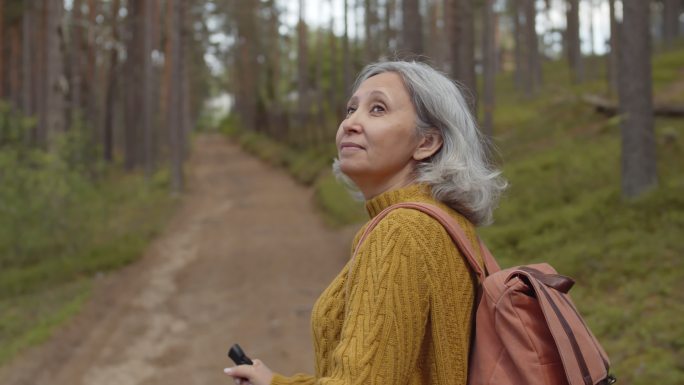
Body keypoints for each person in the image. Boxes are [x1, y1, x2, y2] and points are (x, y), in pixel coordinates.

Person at [224, 60, 507, 385]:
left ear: (426, 143)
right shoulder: (445, 223)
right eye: (350, 109)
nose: (351, 123)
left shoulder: (402, 232)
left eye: (377, 109)